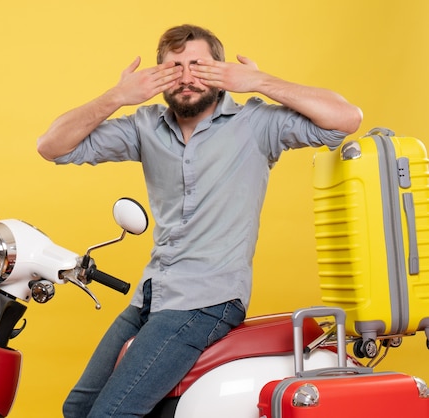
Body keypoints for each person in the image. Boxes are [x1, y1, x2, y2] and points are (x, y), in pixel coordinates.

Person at [37, 24, 362, 418]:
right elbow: (52, 146)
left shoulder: (255, 124)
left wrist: (259, 81)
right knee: (78, 409)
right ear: (157, 77)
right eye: (174, 67)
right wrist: (117, 96)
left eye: (199, 65)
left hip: (209, 299)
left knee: (111, 414)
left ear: (221, 71)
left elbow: (345, 119)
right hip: (152, 294)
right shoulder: (145, 127)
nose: (187, 76)